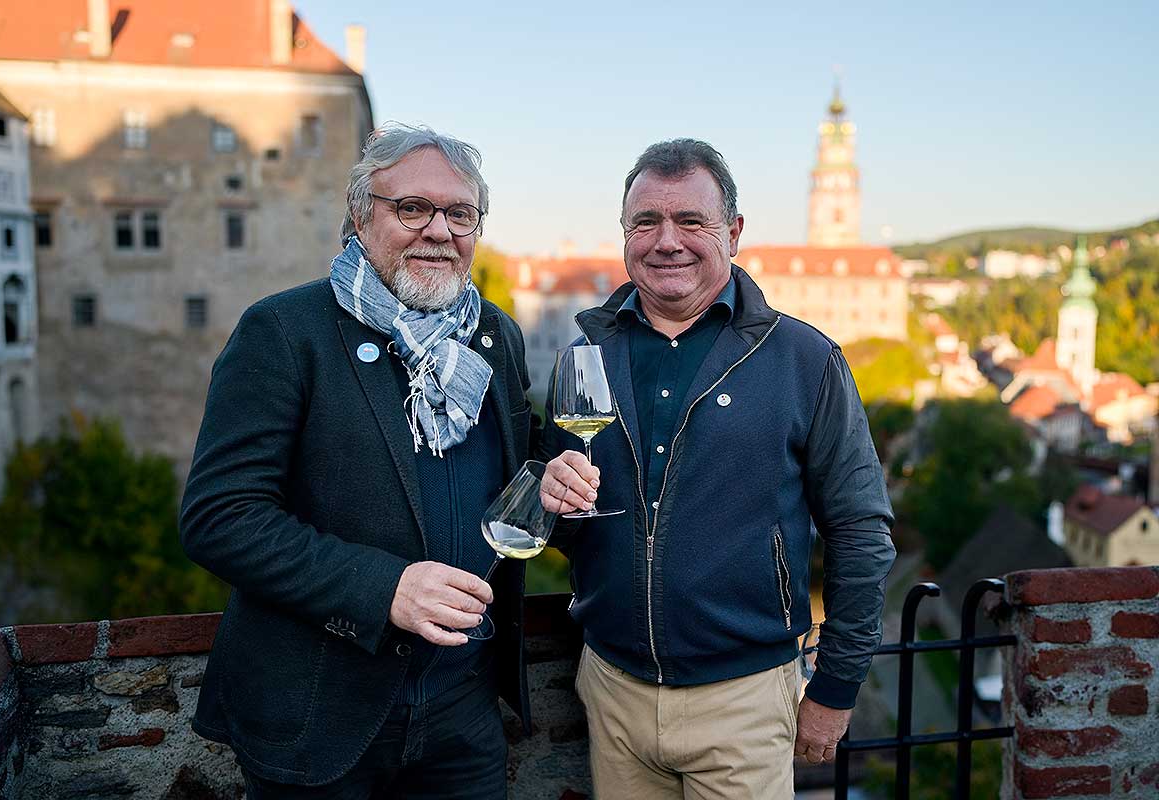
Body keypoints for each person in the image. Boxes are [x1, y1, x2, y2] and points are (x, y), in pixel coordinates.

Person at [180, 124, 535, 799]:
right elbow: (219, 518)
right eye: (412, 208)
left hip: (461, 712)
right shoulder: (286, 331)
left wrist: (560, 471)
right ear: (360, 217)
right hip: (320, 712)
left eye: (460, 214)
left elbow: (522, 465)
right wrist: (383, 588)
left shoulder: (494, 334)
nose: (439, 231)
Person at [539, 138, 896, 799]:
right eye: (646, 222)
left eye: (691, 221)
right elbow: (566, 524)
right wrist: (550, 502)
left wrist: (836, 686)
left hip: (743, 701)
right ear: (625, 234)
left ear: (733, 232)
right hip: (613, 691)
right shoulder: (588, 354)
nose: (666, 241)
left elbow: (860, 531)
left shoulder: (803, 358)